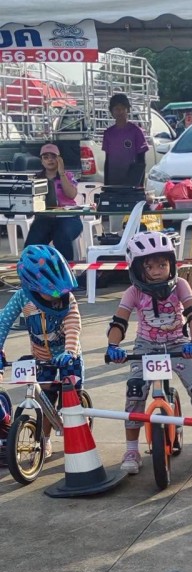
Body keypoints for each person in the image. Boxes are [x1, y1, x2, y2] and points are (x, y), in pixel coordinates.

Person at [106, 231, 192, 474]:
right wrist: (113, 347)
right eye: (149, 267)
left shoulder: (180, 285)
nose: (157, 271)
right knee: (135, 392)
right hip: (146, 346)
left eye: (162, 264)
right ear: (138, 269)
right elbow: (119, 321)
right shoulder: (133, 292)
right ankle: (131, 449)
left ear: (171, 263)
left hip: (179, 344)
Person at [0, 244, 83, 460]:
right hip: (42, 357)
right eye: (50, 292)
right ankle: (44, 439)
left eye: (60, 291)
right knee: (46, 398)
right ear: (33, 287)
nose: (56, 297)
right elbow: (3, 322)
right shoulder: (22, 297)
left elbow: (73, 325)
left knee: (71, 399)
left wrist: (70, 351)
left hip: (68, 356)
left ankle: (78, 431)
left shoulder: (66, 299)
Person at [23, 142, 83, 261]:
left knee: (61, 236)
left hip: (68, 218)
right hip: (45, 218)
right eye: (46, 157)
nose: (50, 160)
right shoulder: (36, 179)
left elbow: (71, 194)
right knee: (33, 242)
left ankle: (65, 268)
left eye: (53, 157)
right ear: (42, 161)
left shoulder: (68, 176)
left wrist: (61, 173)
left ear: (59, 159)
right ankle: (33, 269)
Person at [102, 93, 148, 186]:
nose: (120, 112)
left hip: (131, 183)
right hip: (113, 181)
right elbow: (107, 161)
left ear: (128, 110)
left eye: (123, 108)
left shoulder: (136, 131)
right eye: (117, 109)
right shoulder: (108, 133)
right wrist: (106, 185)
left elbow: (141, 162)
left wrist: (139, 186)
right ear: (111, 111)